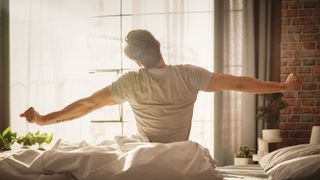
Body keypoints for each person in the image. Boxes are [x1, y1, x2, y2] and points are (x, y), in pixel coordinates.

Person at [20, 29, 301, 143]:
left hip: (146, 150)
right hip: (179, 149)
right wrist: (282, 87)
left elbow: (87, 104)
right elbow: (239, 83)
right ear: (157, 44)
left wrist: (45, 120)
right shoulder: (189, 75)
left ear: (136, 62)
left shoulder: (130, 82)